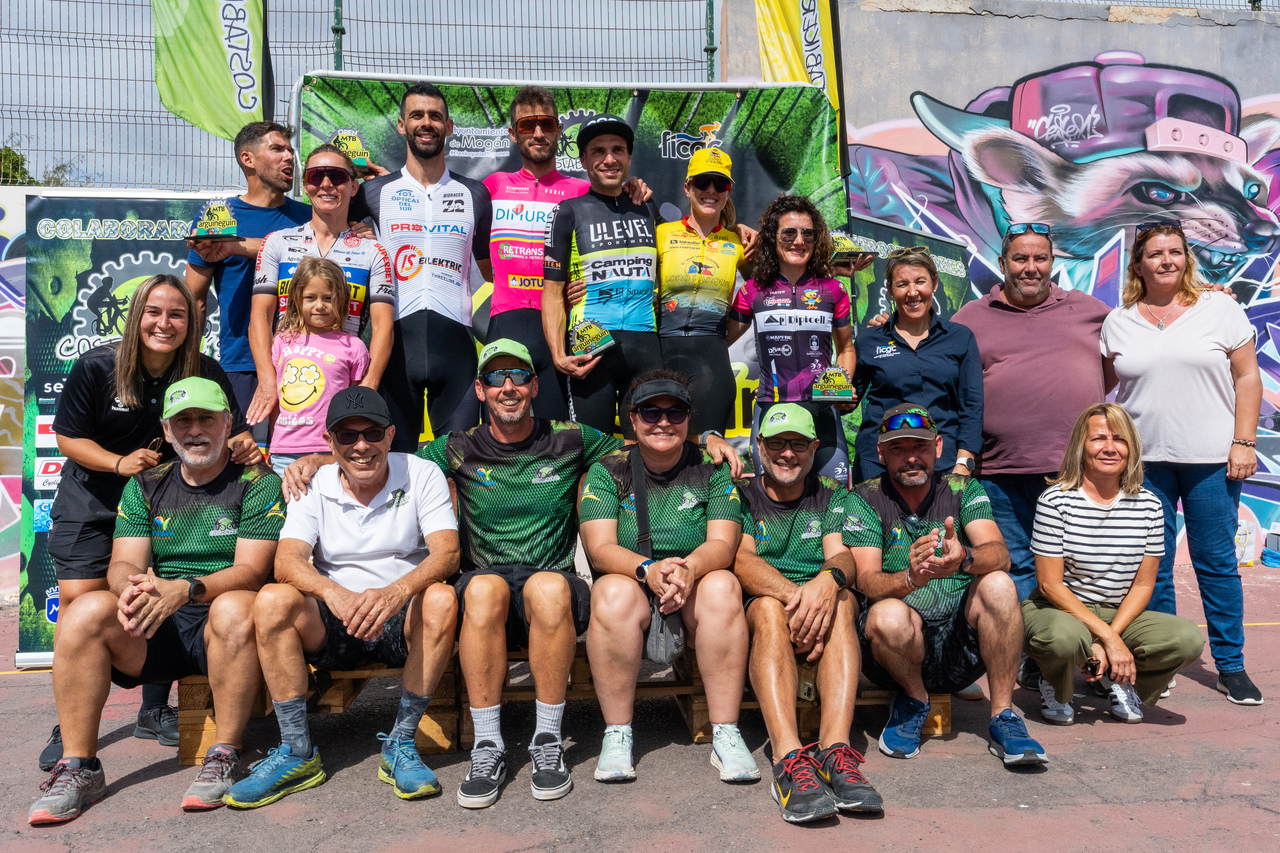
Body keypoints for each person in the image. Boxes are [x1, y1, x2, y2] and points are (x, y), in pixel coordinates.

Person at [28, 378, 283, 824]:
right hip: (160, 620)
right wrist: (130, 587)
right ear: (166, 430)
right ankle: (79, 765)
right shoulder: (146, 482)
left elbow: (251, 571)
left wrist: (184, 588)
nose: (195, 430)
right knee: (84, 611)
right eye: (182, 421)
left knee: (236, 605)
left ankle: (224, 754)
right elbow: (123, 562)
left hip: (226, 626)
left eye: (206, 418)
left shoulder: (257, 481)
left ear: (228, 424)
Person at [40, 275, 259, 771]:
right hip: (95, 497)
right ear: (135, 314)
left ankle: (153, 708)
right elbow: (67, 438)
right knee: (83, 602)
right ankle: (69, 723)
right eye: (154, 312)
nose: (165, 323)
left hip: (163, 497)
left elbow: (233, 430)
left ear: (192, 322)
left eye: (177, 314)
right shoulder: (98, 366)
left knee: (163, 586)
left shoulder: (203, 369)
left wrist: (244, 445)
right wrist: (118, 464)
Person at [223, 388, 460, 808]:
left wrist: (396, 592)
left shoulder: (422, 473)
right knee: (273, 599)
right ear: (329, 442)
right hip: (334, 617)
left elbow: (447, 553)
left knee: (441, 598)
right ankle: (296, 751)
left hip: (399, 614)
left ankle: (401, 743)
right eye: (347, 436)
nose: (361, 446)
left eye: (372, 433)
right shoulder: (313, 483)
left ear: (391, 435)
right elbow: (287, 560)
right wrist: (334, 593)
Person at [419, 339, 613, 807]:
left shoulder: (572, 437)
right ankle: (488, 745)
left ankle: (547, 740)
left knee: (547, 587)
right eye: (495, 378)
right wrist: (318, 461)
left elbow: (641, 448)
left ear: (535, 386)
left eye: (519, 376)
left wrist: (707, 441)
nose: (508, 387)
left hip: (554, 584)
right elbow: (389, 465)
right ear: (480, 390)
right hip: (485, 586)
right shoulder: (457, 446)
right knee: (484, 589)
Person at [1101, 220, 1264, 705]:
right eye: (1155, 253)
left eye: (1175, 251)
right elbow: (1103, 385)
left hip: (1211, 460)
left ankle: (1231, 666)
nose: (1166, 260)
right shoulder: (1118, 321)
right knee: (1152, 566)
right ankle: (1162, 659)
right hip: (1142, 463)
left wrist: (1244, 442)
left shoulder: (1220, 308)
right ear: (1139, 265)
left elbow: (1248, 377)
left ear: (1186, 258)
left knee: (1216, 564)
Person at [845, 404, 1046, 767]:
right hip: (894, 653)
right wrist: (909, 578)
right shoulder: (864, 497)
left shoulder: (962, 488)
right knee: (886, 613)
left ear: (938, 447)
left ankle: (1003, 715)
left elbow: (1000, 555)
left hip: (959, 648)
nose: (911, 458)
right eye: (898, 448)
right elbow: (867, 581)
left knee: (999, 583)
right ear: (880, 452)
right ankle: (914, 699)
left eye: (920, 447)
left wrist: (964, 557)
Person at [578, 371, 755, 783]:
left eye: (675, 412)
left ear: (689, 419)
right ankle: (617, 733)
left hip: (693, 583)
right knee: (610, 592)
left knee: (724, 585)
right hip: (636, 581)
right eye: (650, 412)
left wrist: (688, 569)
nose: (663, 422)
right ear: (633, 419)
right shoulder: (608, 469)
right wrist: (648, 569)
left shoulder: (712, 468)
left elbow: (723, 543)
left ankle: (726, 732)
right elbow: (600, 548)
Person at [733, 404, 882, 823]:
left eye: (798, 444)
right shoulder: (741, 493)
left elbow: (842, 557)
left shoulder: (831, 493)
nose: (787, 453)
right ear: (758, 445)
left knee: (843, 599)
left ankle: (835, 751)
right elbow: (742, 560)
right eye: (777, 443)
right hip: (766, 603)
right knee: (768, 608)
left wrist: (827, 583)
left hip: (819, 602)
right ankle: (787, 759)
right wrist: (801, 600)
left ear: (815, 447)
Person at [950, 224, 1110, 601]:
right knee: (1018, 565)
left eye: (1040, 258)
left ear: (1052, 262)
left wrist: (1203, 296)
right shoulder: (971, 317)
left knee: (1079, 565)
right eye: (1020, 258)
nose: (1031, 268)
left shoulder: (1090, 310)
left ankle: (1076, 637)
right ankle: (1028, 641)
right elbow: (936, 363)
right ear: (1003, 263)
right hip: (999, 473)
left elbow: (1138, 340)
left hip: (1073, 471)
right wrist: (888, 327)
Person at [1024, 403, 1205, 725]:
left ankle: (1119, 679)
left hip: (1117, 611)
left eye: (1119, 439)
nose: (1110, 448)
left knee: (1187, 638)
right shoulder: (1055, 500)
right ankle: (1054, 682)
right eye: (1098, 439)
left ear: (1131, 448)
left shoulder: (1149, 505)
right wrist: (1108, 639)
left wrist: (1110, 638)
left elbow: (1144, 585)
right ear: (1080, 446)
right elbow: (1049, 585)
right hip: (1060, 609)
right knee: (1061, 639)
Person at [351, 82, 493, 448]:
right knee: (393, 463)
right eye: (416, 115)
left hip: (456, 350)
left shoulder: (476, 194)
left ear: (449, 126)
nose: (426, 123)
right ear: (402, 125)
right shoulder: (373, 192)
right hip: (394, 348)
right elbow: (328, 236)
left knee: (460, 464)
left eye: (435, 116)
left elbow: (491, 269)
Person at [248, 144, 393, 428]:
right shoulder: (276, 242)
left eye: (336, 176)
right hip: (289, 383)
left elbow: (383, 326)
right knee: (287, 457)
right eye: (316, 176)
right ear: (306, 185)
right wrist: (267, 380)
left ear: (353, 186)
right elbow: (260, 317)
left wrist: (369, 384)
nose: (326, 184)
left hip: (345, 379)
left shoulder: (373, 250)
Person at [541, 114, 663, 436]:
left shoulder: (648, 207)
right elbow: (551, 293)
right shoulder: (567, 212)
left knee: (647, 450)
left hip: (646, 344)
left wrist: (735, 229)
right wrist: (558, 355)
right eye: (598, 151)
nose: (609, 159)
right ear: (583, 160)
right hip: (589, 347)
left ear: (629, 157)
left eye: (617, 149)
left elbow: (688, 241)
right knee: (591, 449)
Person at [727, 195, 853, 482]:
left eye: (808, 234)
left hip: (822, 409)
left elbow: (846, 348)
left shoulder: (833, 290)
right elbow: (719, 342)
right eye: (789, 233)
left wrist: (842, 387)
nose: (799, 241)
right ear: (773, 238)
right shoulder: (753, 290)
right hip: (771, 407)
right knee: (771, 498)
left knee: (833, 496)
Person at [186, 121, 312, 410]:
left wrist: (238, 246)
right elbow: (195, 299)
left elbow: (323, 255)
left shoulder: (311, 217)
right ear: (248, 159)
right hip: (241, 362)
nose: (289, 157)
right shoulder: (218, 219)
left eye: (290, 150)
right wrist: (188, 364)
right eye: (277, 149)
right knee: (243, 441)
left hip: (307, 358)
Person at [851, 246, 982, 483]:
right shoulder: (869, 340)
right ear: (890, 290)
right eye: (902, 284)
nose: (912, 292)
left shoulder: (960, 338)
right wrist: (838, 396)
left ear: (935, 283)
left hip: (943, 464)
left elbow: (972, 407)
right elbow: (847, 400)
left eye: (920, 281)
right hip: (878, 464)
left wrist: (964, 463)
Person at [656, 147, 751, 436]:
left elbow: (765, 291)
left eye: (719, 184)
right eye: (702, 182)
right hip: (661, 353)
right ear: (687, 188)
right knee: (660, 448)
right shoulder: (662, 233)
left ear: (728, 191)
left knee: (708, 450)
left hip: (712, 359)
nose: (711, 190)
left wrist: (721, 337)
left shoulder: (739, 242)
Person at [260, 257, 371, 475]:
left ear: (341, 300)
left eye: (328, 298)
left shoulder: (354, 347)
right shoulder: (282, 342)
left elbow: (355, 403)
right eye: (310, 297)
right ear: (296, 299)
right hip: (285, 450)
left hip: (332, 449)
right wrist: (276, 442)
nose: (319, 305)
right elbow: (276, 400)